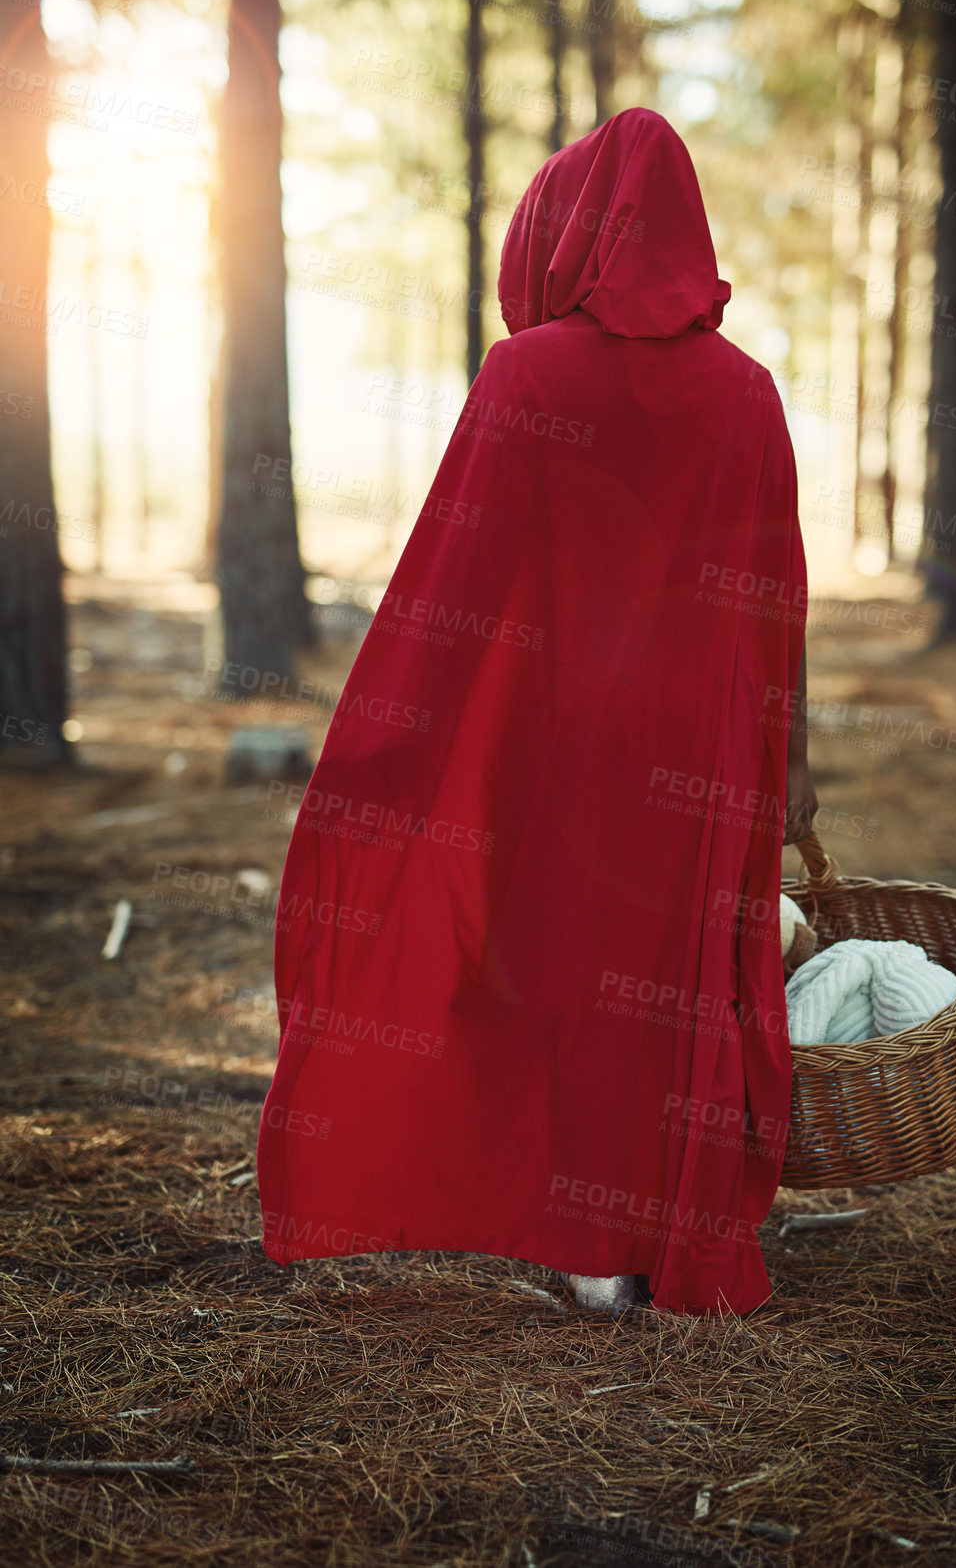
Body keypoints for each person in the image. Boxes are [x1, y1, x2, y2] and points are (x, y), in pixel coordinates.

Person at [257, 107, 817, 1317]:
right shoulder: (749, 394)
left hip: (550, 731)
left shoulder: (525, 374)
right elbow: (775, 608)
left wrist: (395, 747)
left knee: (542, 961)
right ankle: (630, 1239)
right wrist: (791, 765)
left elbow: (453, 577)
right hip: (697, 746)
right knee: (660, 979)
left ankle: (559, 1221)